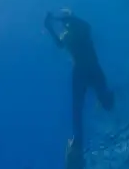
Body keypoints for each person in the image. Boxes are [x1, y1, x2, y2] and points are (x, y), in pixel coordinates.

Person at [44, 9, 115, 169]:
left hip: (91, 66)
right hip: (81, 71)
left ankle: (108, 97)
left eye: (68, 18)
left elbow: (85, 26)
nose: (66, 22)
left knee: (107, 105)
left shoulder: (82, 29)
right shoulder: (68, 35)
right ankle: (76, 148)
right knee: (77, 109)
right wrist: (49, 27)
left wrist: (62, 17)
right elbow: (59, 44)